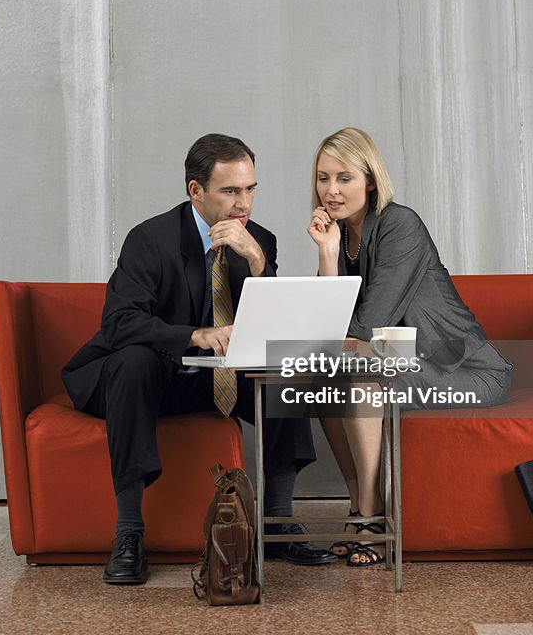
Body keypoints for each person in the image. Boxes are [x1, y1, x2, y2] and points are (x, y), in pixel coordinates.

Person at [63, 133, 337, 585]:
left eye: (250, 189)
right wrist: (196, 334)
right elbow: (120, 322)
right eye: (231, 191)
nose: (243, 202)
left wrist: (257, 263)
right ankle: (129, 532)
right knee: (134, 360)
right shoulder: (151, 238)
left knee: (288, 371)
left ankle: (279, 524)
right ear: (196, 190)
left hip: (214, 382)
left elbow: (273, 332)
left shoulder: (259, 240)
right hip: (148, 381)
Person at [306, 127, 512, 567]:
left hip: (469, 372)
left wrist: (342, 338)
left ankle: (370, 517)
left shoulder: (401, 225)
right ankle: (359, 508)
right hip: (406, 366)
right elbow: (329, 329)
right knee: (323, 384)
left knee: (359, 376)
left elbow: (364, 326)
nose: (331, 191)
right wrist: (326, 254)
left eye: (344, 178)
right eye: (323, 178)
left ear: (371, 181)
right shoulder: (340, 236)